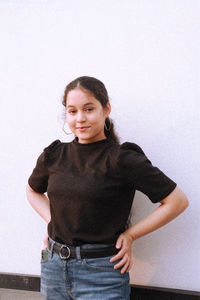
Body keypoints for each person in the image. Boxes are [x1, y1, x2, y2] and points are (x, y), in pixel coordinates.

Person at [26, 76, 189, 300]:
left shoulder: (121, 158)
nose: (80, 118)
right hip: (53, 269)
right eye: (72, 111)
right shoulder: (54, 155)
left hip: (102, 273)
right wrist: (53, 220)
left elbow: (177, 201)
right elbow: (32, 191)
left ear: (106, 109)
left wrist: (130, 235)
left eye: (89, 109)